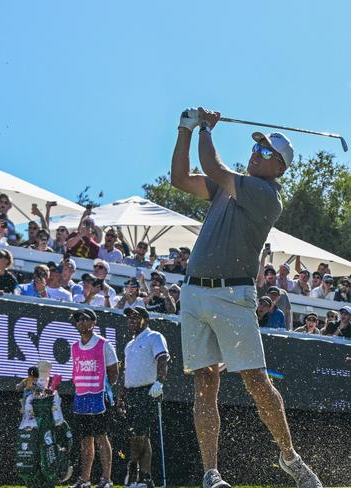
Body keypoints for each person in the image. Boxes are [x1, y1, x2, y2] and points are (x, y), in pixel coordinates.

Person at [171, 107, 321, 487]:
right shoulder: (229, 187)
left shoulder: (266, 193)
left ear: (279, 169)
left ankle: (289, 456)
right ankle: (211, 473)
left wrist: (205, 128)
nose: (258, 154)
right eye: (258, 149)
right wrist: (185, 129)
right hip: (193, 294)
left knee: (256, 382)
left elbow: (215, 166)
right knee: (205, 384)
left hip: (232, 295)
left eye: (268, 153)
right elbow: (178, 178)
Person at [119, 306, 169, 488]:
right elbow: (127, 372)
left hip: (148, 390)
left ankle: (133, 469)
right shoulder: (129, 344)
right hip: (131, 392)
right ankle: (146, 478)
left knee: (139, 434)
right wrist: (122, 395)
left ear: (145, 320)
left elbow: (163, 359)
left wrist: (159, 382)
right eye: (129, 318)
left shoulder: (154, 336)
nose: (131, 321)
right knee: (142, 435)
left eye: (135, 317)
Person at [68, 308, 119, 488]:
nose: (81, 322)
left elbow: (114, 373)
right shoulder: (74, 346)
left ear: (93, 322)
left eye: (85, 319)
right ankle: (85, 479)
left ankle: (106, 479)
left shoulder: (104, 344)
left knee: (101, 437)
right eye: (78, 320)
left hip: (99, 398)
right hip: (81, 398)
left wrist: (104, 389)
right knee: (85, 439)